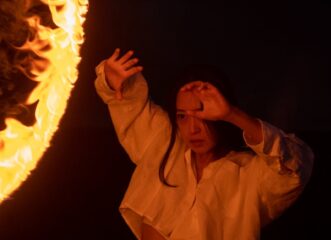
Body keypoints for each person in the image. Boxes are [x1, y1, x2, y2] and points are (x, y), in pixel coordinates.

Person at [94, 48, 314, 240]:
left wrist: (232, 114)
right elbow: (131, 105)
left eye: (202, 114)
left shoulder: (248, 176)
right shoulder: (163, 145)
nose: (193, 128)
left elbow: (295, 166)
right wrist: (114, 81)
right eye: (182, 116)